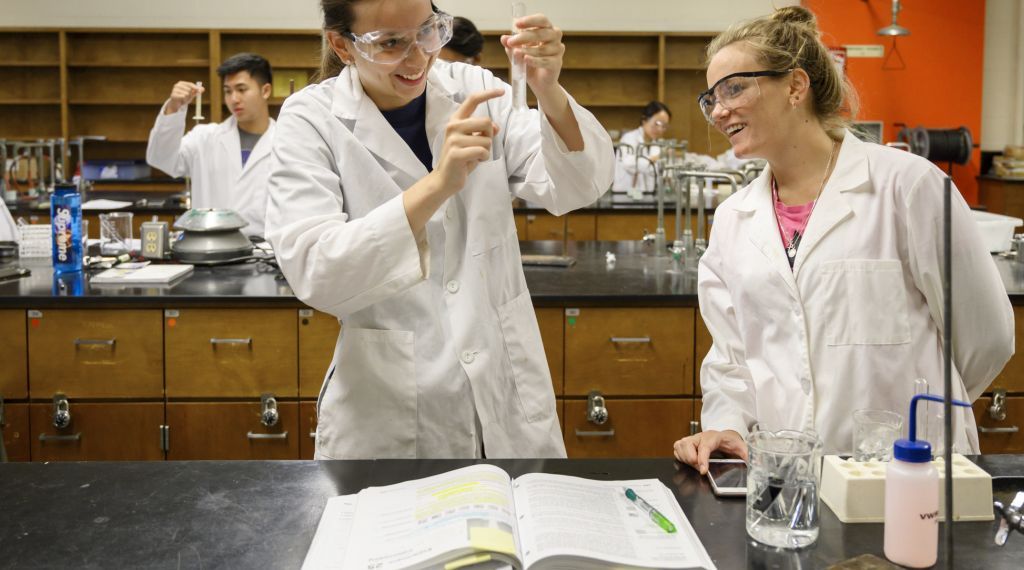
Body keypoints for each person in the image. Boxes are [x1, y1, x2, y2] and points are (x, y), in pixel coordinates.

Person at [266, 0, 614, 459]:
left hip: (505, 396)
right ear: (342, 45)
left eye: (428, 32)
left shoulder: (474, 88)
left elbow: (579, 184)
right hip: (389, 417)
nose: (419, 59)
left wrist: (548, 90)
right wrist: (436, 185)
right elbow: (317, 271)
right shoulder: (310, 119)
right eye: (391, 43)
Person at [673, 6, 1014, 474]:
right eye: (710, 97)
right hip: (786, 482)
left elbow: (987, 336)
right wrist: (728, 424)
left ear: (795, 86)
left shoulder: (907, 187)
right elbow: (732, 359)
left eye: (734, 88)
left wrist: (934, 416)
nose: (719, 109)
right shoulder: (734, 218)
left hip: (907, 473)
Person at [146, 53, 275, 238]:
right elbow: (160, 158)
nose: (233, 99)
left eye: (241, 89)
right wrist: (173, 109)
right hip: (209, 247)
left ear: (265, 91)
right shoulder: (204, 138)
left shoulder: (284, 142)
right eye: (228, 91)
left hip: (265, 253)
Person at [613, 101, 671, 194]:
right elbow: (629, 164)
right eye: (657, 124)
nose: (660, 129)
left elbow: (657, 171)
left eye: (664, 126)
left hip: (647, 197)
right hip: (624, 197)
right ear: (644, 120)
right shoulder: (629, 138)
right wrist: (653, 159)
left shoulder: (657, 145)